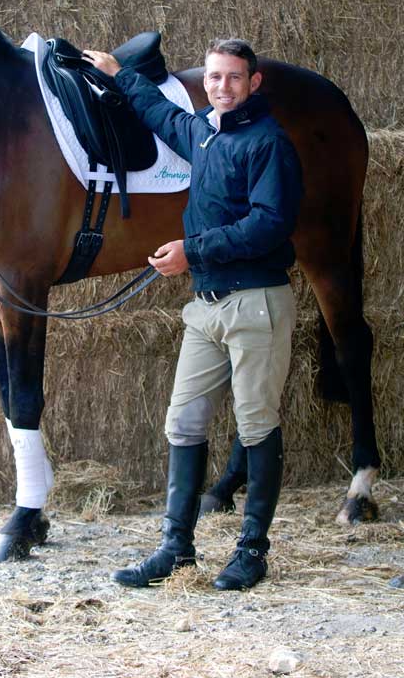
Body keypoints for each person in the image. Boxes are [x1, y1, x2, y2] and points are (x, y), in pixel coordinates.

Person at [82, 39, 303, 590]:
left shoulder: (269, 143)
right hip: (205, 309)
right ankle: (176, 549)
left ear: (254, 83)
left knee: (256, 426)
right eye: (213, 78)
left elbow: (270, 223)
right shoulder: (204, 130)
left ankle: (252, 550)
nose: (222, 87)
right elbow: (160, 115)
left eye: (233, 78)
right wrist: (117, 74)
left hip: (256, 303)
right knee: (183, 423)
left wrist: (191, 252)